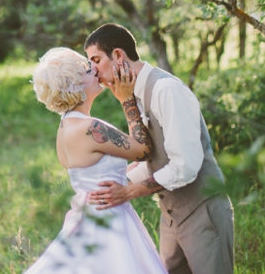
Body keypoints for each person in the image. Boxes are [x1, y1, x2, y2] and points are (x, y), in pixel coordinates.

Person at [85, 23, 234, 274]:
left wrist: (129, 191)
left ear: (118, 55)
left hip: (202, 211)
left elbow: (184, 166)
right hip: (171, 215)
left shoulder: (166, 90)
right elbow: (151, 159)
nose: (93, 70)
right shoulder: (135, 94)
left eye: (96, 60)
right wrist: (108, 186)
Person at [24, 47, 168, 274]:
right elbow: (143, 150)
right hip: (108, 219)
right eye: (86, 70)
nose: (94, 70)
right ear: (76, 85)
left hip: (90, 214)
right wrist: (126, 98)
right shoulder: (90, 128)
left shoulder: (65, 127)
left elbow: (100, 170)